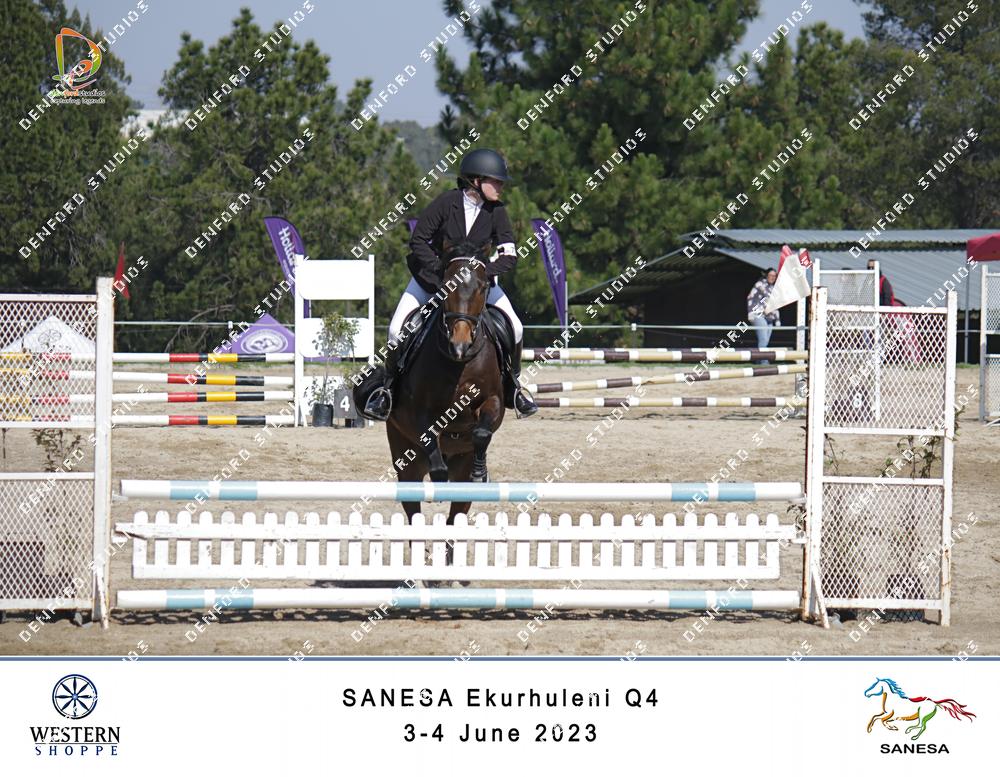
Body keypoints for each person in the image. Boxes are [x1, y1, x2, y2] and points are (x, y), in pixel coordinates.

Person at [363, 148, 537, 420]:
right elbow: (418, 240)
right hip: (432, 281)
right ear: (475, 181)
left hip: (477, 287)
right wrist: (440, 271)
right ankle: (388, 391)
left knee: (515, 326)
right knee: (396, 329)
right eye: (495, 181)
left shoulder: (497, 212)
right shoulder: (446, 203)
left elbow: (509, 254)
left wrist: (482, 273)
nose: (501, 187)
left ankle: (513, 387)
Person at [746, 268, 780, 364]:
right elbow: (750, 298)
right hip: (758, 314)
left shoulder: (773, 289)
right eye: (771, 275)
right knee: (763, 339)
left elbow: (775, 304)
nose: (772, 277)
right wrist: (752, 312)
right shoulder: (760, 284)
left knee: (765, 341)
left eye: (774, 276)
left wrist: (777, 319)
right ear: (766, 275)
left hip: (769, 317)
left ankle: (758, 361)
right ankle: (764, 362)